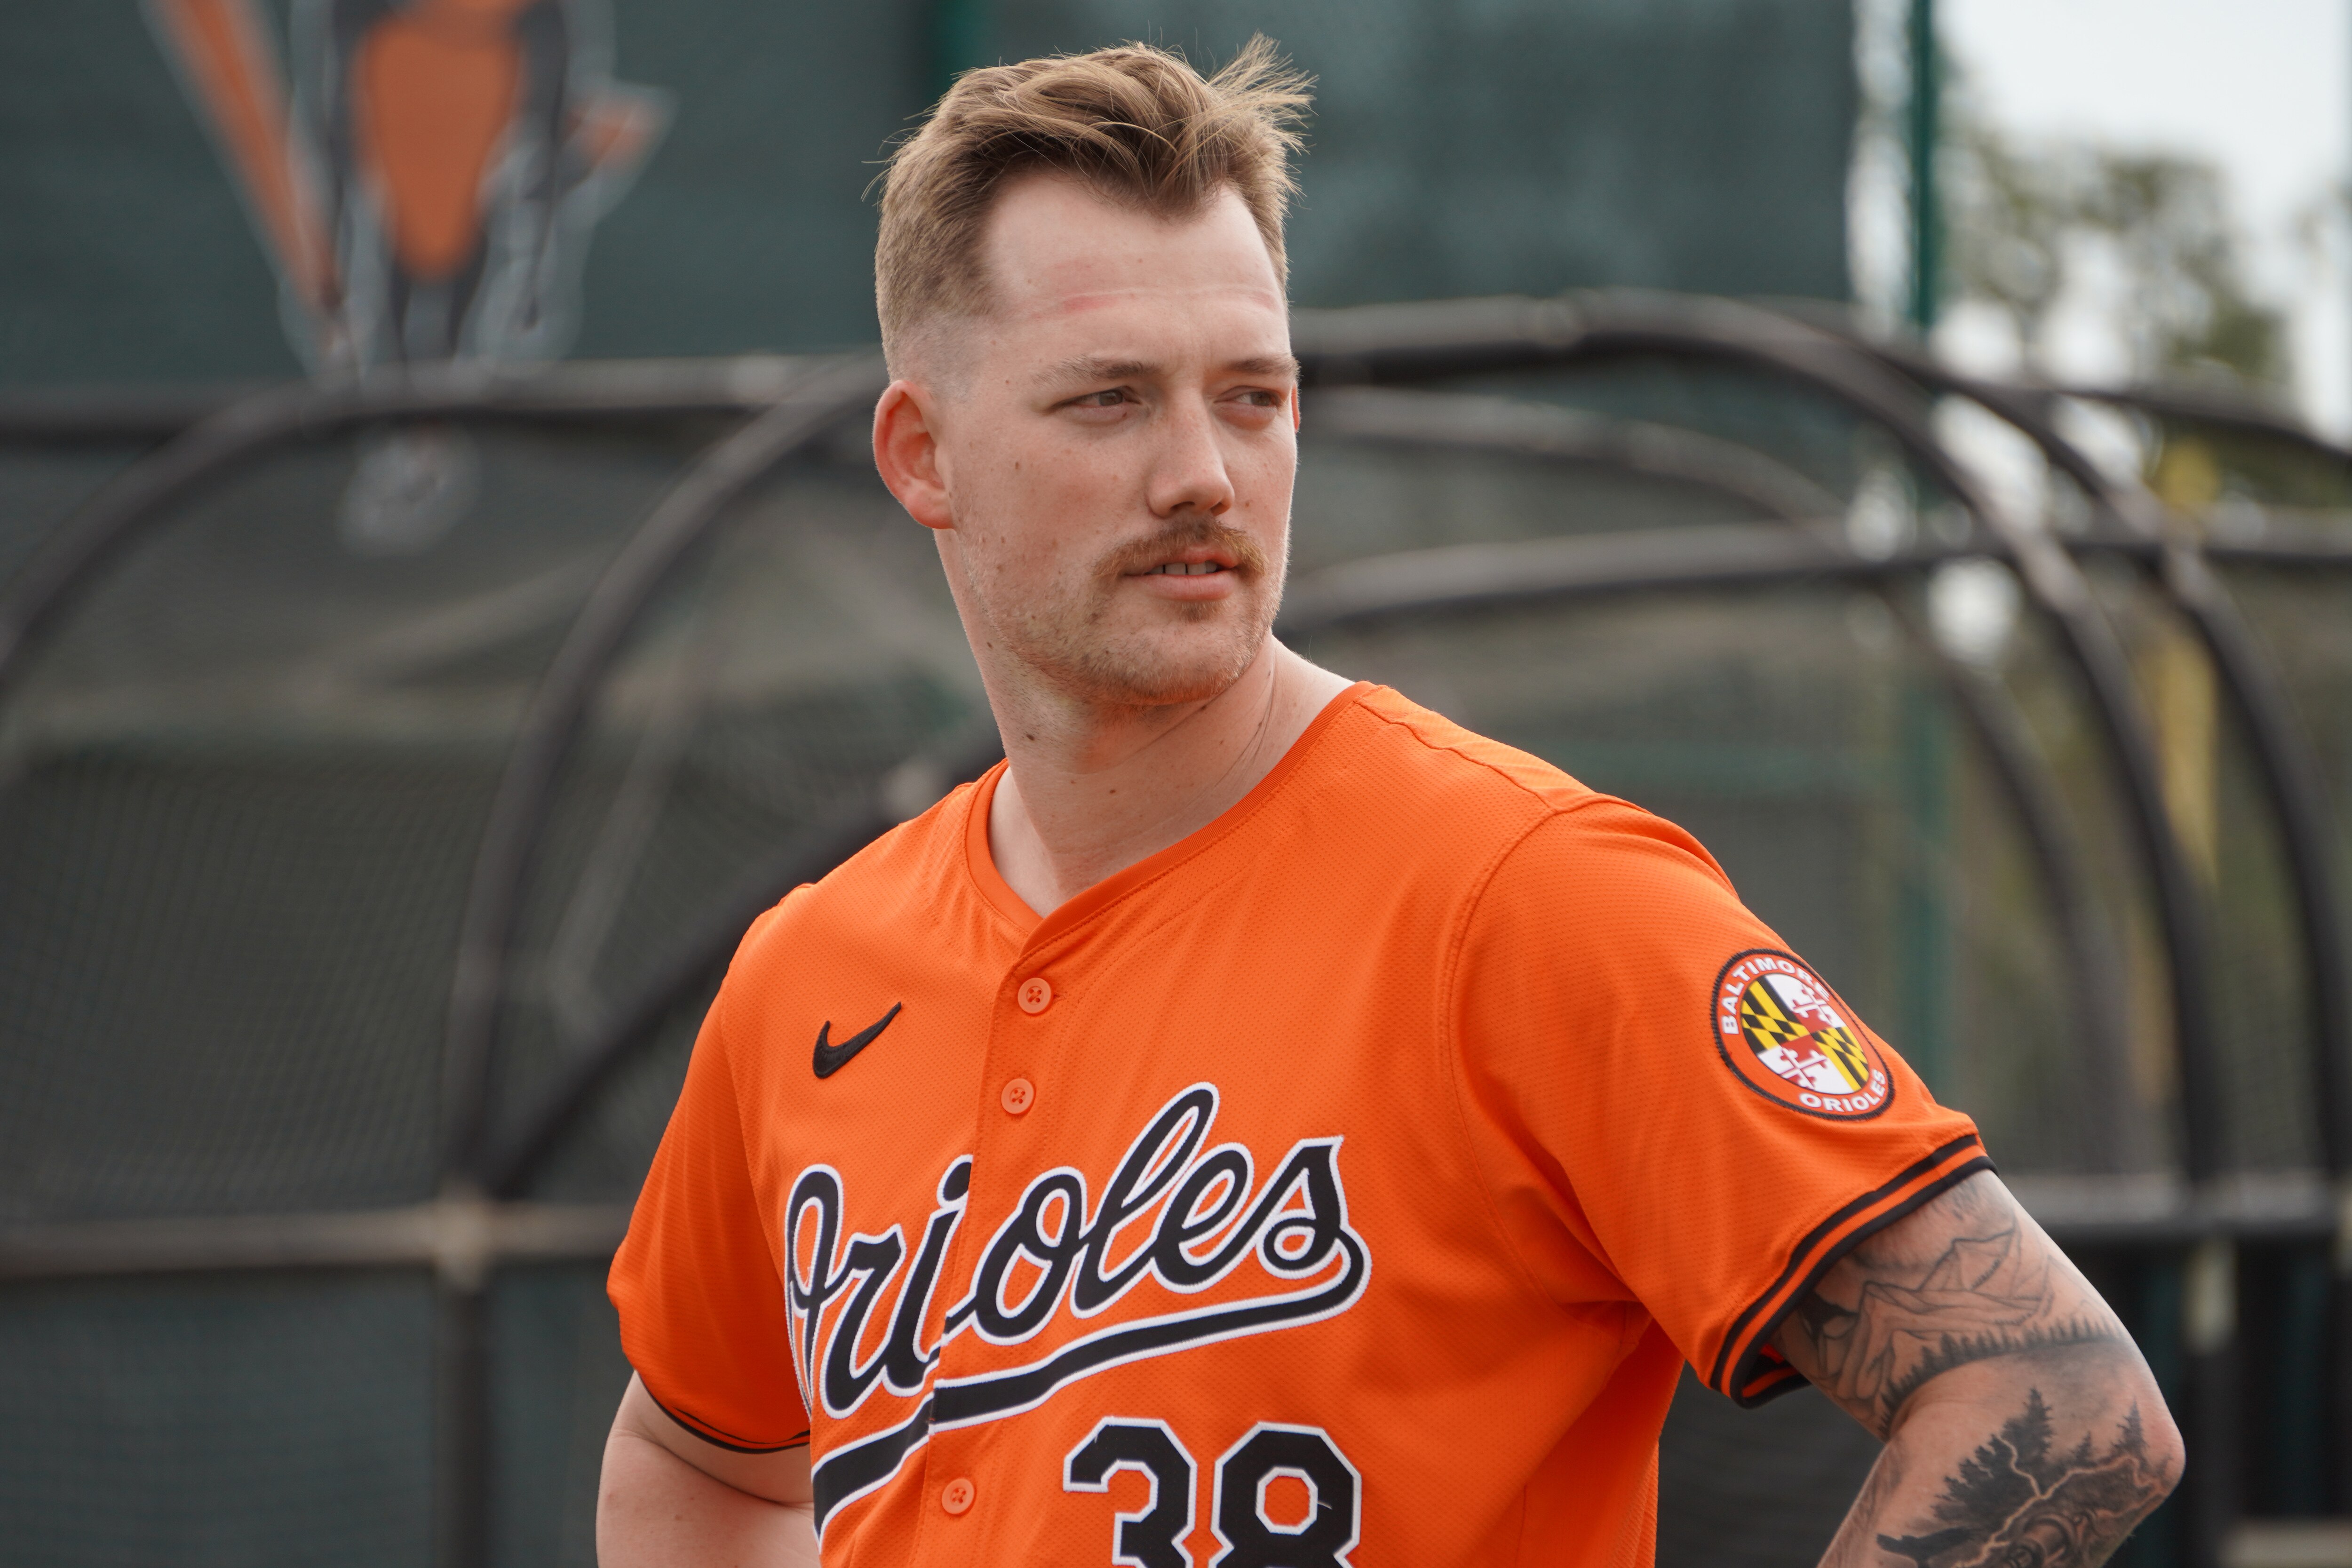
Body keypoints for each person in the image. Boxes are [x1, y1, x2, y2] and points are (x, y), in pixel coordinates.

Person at [596, 39, 2180, 1568]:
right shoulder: (809, 972)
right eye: (1110, 401)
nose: (1204, 473)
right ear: (919, 452)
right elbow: (701, 1457)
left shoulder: (1528, 894)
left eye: (1254, 396)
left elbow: (2063, 1397)